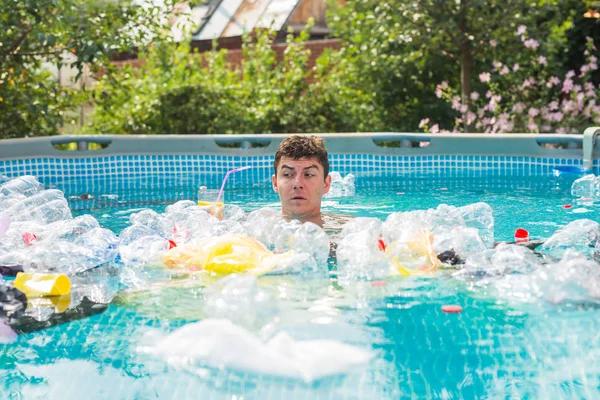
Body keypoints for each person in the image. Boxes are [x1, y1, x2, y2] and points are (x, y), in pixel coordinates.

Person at [272, 135, 350, 231]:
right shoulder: (254, 227)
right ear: (275, 183)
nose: (297, 184)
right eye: (288, 174)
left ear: (326, 184)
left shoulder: (350, 229)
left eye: (308, 174)